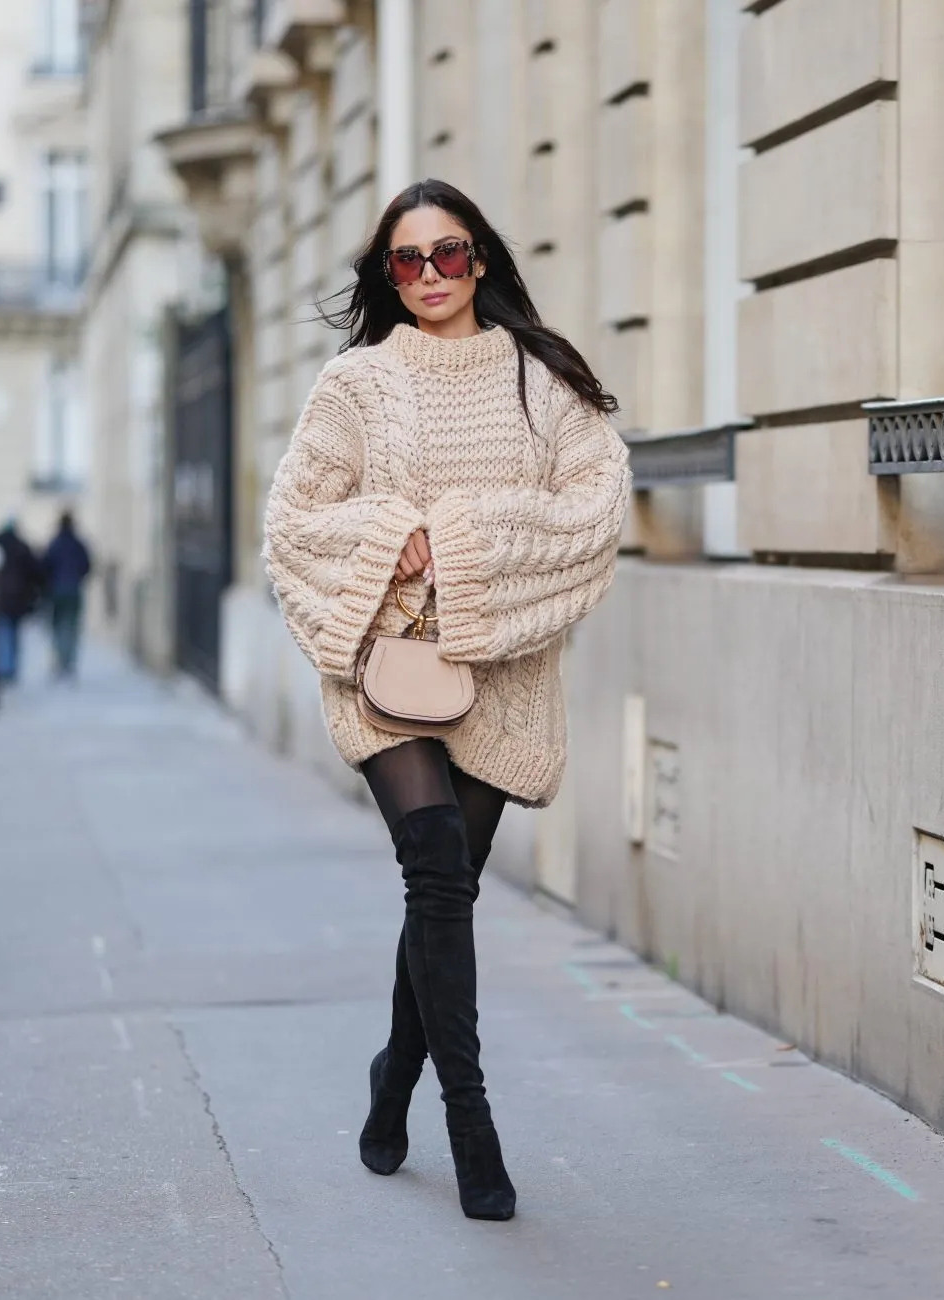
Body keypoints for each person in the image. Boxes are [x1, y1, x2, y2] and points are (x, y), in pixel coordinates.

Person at [263, 180, 630, 1222]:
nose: (429, 275)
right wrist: (390, 536)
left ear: (481, 259)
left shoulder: (539, 377)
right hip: (382, 668)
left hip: (501, 674)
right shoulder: (356, 384)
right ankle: (471, 1120)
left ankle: (394, 1078)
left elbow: (592, 510)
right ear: (387, 275)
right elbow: (294, 522)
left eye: (448, 254)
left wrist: (458, 541)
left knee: (446, 894)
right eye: (407, 260)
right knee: (432, 863)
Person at [0, 517, 40, 687]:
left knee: (3, 632)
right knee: (11, 633)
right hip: (17, 598)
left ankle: (5, 667)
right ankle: (8, 668)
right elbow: (34, 572)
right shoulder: (21, 546)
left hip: (1, 598)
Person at [40, 511, 93, 679]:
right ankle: (68, 662)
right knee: (70, 627)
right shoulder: (78, 544)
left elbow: (45, 566)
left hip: (56, 590)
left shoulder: (54, 544)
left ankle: (60, 661)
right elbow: (87, 565)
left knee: (57, 627)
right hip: (73, 589)